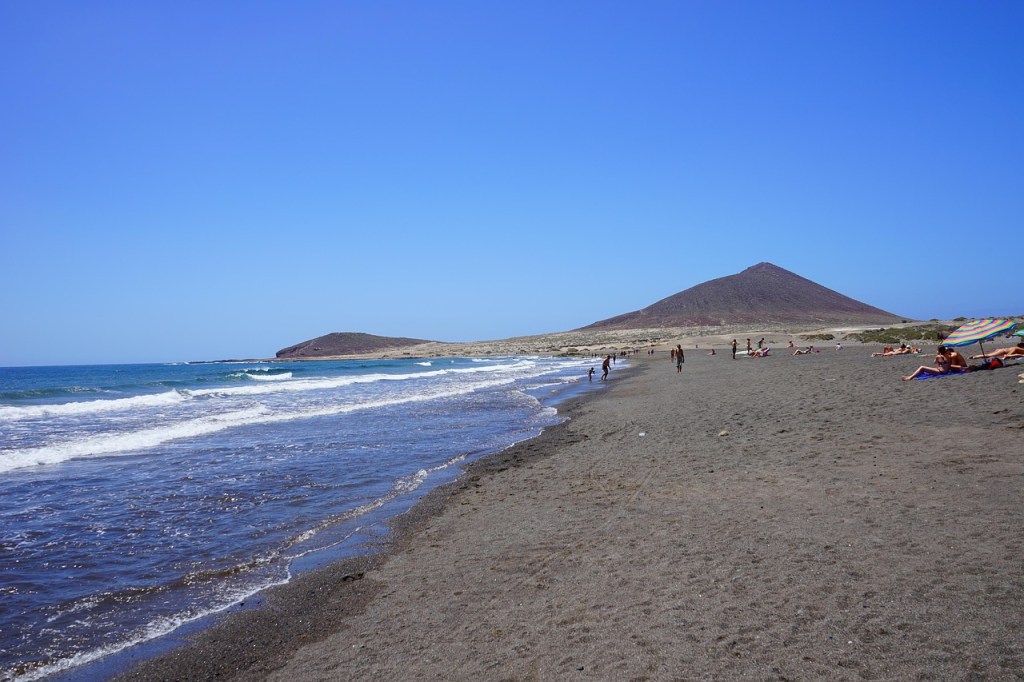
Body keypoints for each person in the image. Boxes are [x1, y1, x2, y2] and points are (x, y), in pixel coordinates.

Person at [902, 345, 966, 381]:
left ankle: (910, 377)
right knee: (927, 369)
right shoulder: (949, 356)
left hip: (940, 372)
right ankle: (911, 376)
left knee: (922, 367)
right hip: (945, 371)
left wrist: (938, 355)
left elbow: (934, 362)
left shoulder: (939, 356)